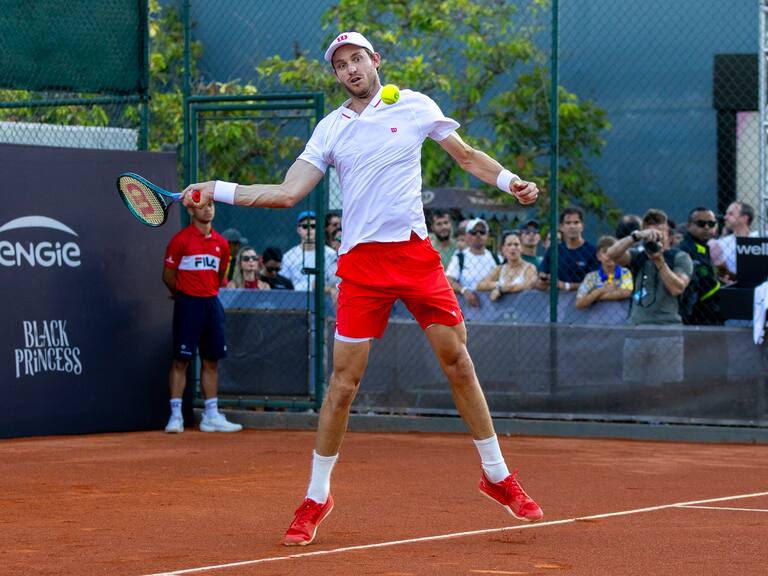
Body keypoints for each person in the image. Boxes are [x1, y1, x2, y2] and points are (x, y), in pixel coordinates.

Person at [181, 30, 543, 546]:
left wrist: (511, 182)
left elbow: (466, 157)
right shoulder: (330, 130)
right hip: (361, 267)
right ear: (336, 76)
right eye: (340, 65)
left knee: (458, 362)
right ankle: (316, 495)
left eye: (357, 59)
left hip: (416, 257)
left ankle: (498, 476)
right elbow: (287, 193)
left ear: (376, 61)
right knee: (343, 385)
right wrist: (215, 188)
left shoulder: (415, 106)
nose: (350, 69)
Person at [162, 200, 243, 434]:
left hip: (212, 304)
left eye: (211, 205)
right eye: (202, 206)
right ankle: (175, 416)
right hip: (188, 305)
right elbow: (168, 276)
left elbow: (219, 277)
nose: (208, 209)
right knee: (181, 360)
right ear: (190, 210)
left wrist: (206, 293)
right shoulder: (180, 240)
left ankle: (211, 415)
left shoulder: (222, 244)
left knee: (211, 361)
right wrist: (184, 296)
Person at [606, 208, 693, 325]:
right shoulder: (638, 256)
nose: (655, 236)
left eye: (659, 231)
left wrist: (659, 259)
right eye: (651, 232)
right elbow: (611, 254)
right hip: (637, 327)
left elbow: (676, 288)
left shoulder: (679, 257)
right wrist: (635, 236)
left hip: (668, 327)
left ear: (669, 234)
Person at [678, 207, 722, 325]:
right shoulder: (687, 250)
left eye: (711, 223)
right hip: (695, 315)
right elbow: (707, 283)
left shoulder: (703, 247)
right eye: (701, 224)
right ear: (689, 226)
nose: (707, 227)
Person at [539, 206, 598, 293]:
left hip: (585, 301)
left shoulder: (593, 251)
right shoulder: (553, 251)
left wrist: (566, 286)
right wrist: (545, 279)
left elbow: (595, 282)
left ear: (582, 226)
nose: (572, 226)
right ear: (561, 227)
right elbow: (542, 276)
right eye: (568, 223)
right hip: (557, 303)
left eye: (576, 222)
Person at [445, 218, 500, 308]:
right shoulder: (459, 258)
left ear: (487, 235)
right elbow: (448, 280)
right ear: (467, 235)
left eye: (482, 232)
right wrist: (464, 290)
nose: (478, 235)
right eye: (474, 232)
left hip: (493, 308)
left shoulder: (497, 258)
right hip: (466, 307)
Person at [282, 210, 339, 295]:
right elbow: (283, 283)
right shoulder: (288, 256)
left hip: (323, 302)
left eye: (313, 226)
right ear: (298, 229)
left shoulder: (330, 254)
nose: (309, 229)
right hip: (294, 302)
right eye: (305, 226)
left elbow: (335, 283)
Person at [575, 235, 633, 310]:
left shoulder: (625, 272)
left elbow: (626, 292)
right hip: (595, 320)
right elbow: (579, 303)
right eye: (605, 252)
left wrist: (593, 296)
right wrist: (601, 290)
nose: (609, 256)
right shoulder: (591, 277)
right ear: (598, 256)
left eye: (613, 252)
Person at [476, 231, 538, 301]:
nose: (513, 248)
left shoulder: (529, 268)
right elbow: (480, 285)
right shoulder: (500, 269)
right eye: (509, 245)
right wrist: (498, 285)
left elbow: (528, 285)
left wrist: (501, 290)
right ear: (503, 249)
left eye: (516, 244)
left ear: (522, 248)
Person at [709, 201, 757, 281]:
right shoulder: (721, 243)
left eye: (730, 214)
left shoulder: (760, 239)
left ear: (744, 218)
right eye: (726, 213)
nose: (725, 217)